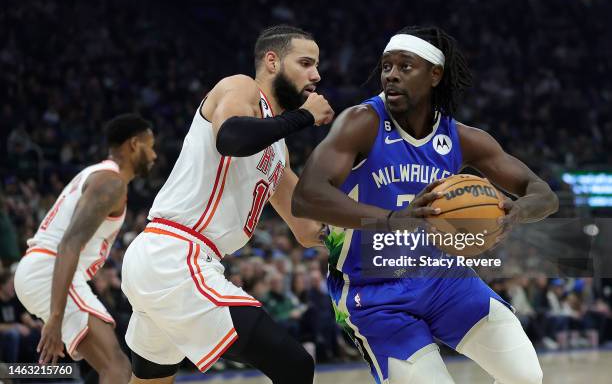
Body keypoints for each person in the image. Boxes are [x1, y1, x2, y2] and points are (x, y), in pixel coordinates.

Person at [292, 26, 559, 384]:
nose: (392, 76)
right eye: (387, 66)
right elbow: (306, 196)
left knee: (526, 375)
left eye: (405, 67)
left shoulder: (462, 138)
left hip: (445, 281)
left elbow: (543, 193)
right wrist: (390, 218)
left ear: (435, 75)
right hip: (374, 295)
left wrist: (519, 211)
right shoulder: (361, 122)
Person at [121, 25, 333, 383]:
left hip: (173, 261)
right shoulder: (241, 87)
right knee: (295, 365)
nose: (316, 75)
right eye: (306, 63)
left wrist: (372, 228)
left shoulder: (277, 151)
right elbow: (231, 137)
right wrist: (304, 116)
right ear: (272, 61)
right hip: (176, 256)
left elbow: (308, 228)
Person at [14, 114, 157, 383]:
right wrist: (56, 318)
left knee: (106, 364)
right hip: (48, 271)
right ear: (134, 144)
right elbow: (69, 244)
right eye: (150, 146)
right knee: (117, 367)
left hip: (44, 271)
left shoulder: (98, 175)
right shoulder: (110, 183)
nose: (155, 155)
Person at [0, 270, 42, 363]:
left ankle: (37, 372)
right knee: (13, 335)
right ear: (2, 286)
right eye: (11, 284)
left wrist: (35, 324)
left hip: (19, 332)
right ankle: (11, 373)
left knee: (37, 333)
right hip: (4, 334)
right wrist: (15, 326)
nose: (13, 287)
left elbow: (24, 316)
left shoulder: (14, 298)